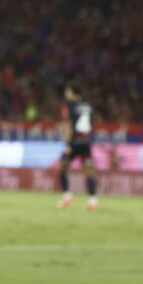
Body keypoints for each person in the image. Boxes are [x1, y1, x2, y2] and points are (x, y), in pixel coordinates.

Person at [57, 83, 98, 211]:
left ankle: (67, 198)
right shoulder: (88, 107)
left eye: (68, 92)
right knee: (89, 172)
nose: (66, 94)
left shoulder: (70, 107)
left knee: (62, 169)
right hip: (85, 142)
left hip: (74, 143)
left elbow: (69, 126)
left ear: (73, 93)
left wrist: (68, 144)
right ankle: (92, 202)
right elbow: (91, 125)